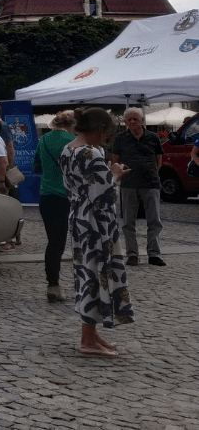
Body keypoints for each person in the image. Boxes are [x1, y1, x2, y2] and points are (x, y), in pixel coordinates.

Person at [59, 107, 132, 357]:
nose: (107, 138)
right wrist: (115, 175)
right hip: (96, 222)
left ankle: (90, 333)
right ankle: (87, 340)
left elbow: (75, 186)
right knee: (96, 274)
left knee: (86, 272)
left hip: (78, 215)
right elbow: (105, 194)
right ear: (100, 129)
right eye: (106, 132)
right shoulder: (90, 153)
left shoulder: (68, 149)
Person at [111, 107, 165, 267]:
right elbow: (115, 160)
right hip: (129, 184)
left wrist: (151, 172)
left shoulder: (153, 137)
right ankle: (132, 254)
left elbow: (159, 160)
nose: (133, 122)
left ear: (142, 120)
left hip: (151, 183)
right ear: (125, 122)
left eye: (135, 118)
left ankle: (154, 254)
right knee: (128, 221)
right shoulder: (120, 138)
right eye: (129, 120)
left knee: (154, 220)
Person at [34, 110, 77, 302]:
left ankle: (53, 285)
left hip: (47, 196)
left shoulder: (43, 140)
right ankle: (84, 284)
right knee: (79, 241)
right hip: (69, 196)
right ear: (72, 124)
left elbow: (36, 167)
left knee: (54, 243)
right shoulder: (73, 140)